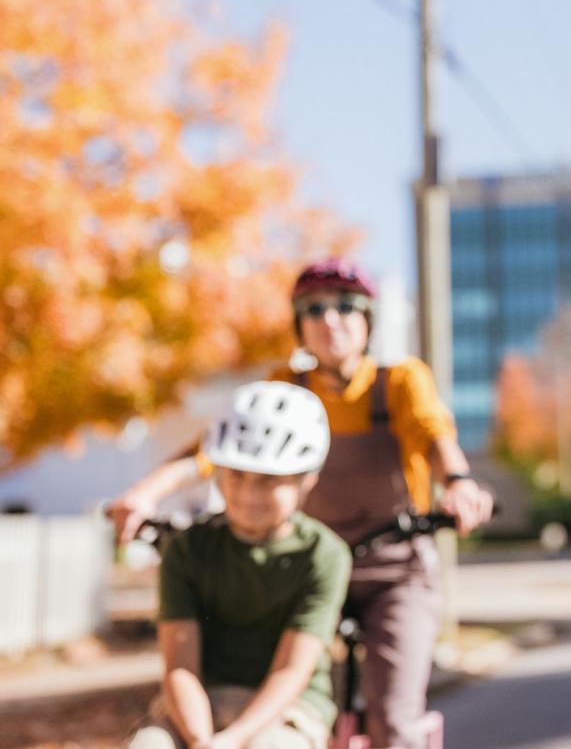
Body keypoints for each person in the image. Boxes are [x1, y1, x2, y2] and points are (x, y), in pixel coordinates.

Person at [111, 256, 494, 749]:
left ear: (368, 322)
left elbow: (434, 435)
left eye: (345, 307)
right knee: (284, 697)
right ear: (299, 326)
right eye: (313, 310)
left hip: (393, 572)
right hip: (309, 567)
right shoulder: (285, 389)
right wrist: (146, 492)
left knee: (393, 719)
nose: (329, 320)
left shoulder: (398, 382)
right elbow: (221, 449)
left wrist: (458, 481)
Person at [131, 380, 349, 749]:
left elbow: (291, 669)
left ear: (306, 480)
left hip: (290, 709)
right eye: (236, 476)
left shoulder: (325, 555)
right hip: (201, 702)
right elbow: (180, 668)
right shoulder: (186, 549)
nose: (248, 495)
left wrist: (232, 741)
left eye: (269, 481)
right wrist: (202, 741)